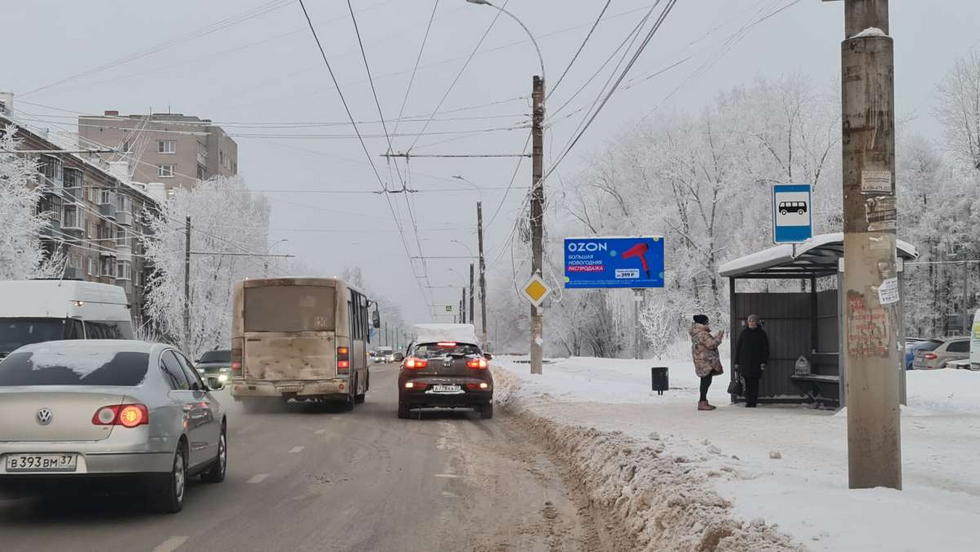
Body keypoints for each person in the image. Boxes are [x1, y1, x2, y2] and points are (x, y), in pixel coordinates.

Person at [689, 314, 724, 411]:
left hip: (700, 360)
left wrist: (715, 337)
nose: (708, 323)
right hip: (706, 361)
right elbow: (712, 344)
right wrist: (719, 337)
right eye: (707, 322)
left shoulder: (697, 333)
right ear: (704, 323)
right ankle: (702, 402)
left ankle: (703, 401)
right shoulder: (703, 334)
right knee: (706, 381)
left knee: (705, 380)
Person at [734, 314, 769, 408]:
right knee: (747, 382)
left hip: (757, 363)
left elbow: (766, 349)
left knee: (755, 382)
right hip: (745, 362)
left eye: (754, 321)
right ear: (748, 322)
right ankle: (748, 401)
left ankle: (753, 401)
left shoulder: (762, 333)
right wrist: (736, 362)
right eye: (750, 321)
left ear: (757, 322)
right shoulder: (744, 333)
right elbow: (738, 348)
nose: (752, 323)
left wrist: (764, 362)